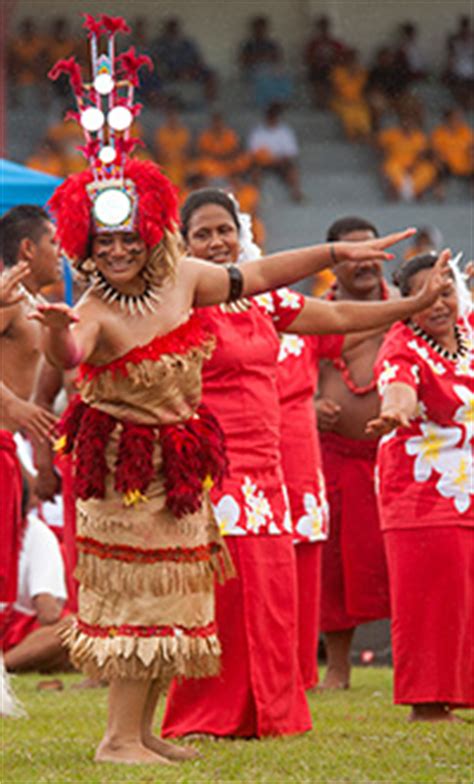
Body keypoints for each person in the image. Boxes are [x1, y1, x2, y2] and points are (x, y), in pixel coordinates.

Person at [161, 189, 451, 740]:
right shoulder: (178, 301)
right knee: (222, 595)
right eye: (203, 233)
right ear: (183, 244)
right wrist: (333, 252)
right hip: (211, 464)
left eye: (225, 229)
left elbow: (340, 313)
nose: (218, 241)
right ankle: (209, 714)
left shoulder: (262, 302)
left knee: (272, 595)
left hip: (268, 466)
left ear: (241, 233)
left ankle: (269, 712)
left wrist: (410, 308)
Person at [368, 252, 473, 721]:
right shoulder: (400, 345)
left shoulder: (468, 332)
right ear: (402, 304)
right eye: (423, 296)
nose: (437, 303)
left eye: (445, 291)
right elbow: (398, 386)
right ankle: (429, 705)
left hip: (467, 486)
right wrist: (397, 409)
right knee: (430, 597)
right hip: (420, 491)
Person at [316, 216, 394, 690]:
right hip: (334, 456)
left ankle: (415, 662)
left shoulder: (411, 309)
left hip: (399, 457)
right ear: (334, 264)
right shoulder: (309, 314)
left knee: (407, 563)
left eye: (373, 250)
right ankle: (338, 668)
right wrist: (307, 404)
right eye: (353, 253)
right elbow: (285, 370)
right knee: (333, 566)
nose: (365, 261)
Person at [248, 102, 303, 202]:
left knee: (292, 169)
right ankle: (255, 197)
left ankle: (296, 193)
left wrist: (277, 159)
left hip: (280, 162)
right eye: (270, 116)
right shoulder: (257, 132)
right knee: (255, 171)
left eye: (273, 116)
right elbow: (253, 152)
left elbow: (291, 153)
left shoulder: (285, 131)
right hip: (262, 163)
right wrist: (265, 159)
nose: (271, 119)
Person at [303, 15, 346, 108]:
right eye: (321, 27)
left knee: (335, 75)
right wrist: (318, 61)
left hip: (332, 69)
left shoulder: (336, 43)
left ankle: (330, 103)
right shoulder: (313, 44)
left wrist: (332, 62)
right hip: (318, 69)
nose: (324, 29)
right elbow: (307, 59)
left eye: (325, 27)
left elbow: (342, 59)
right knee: (317, 75)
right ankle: (320, 103)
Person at [431, 108, 474, 181]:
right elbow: (435, 153)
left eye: (460, 118)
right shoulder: (438, 134)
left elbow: (471, 147)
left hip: (467, 167)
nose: (459, 121)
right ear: (447, 120)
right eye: (456, 118)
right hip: (447, 168)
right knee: (435, 163)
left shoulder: (466, 131)